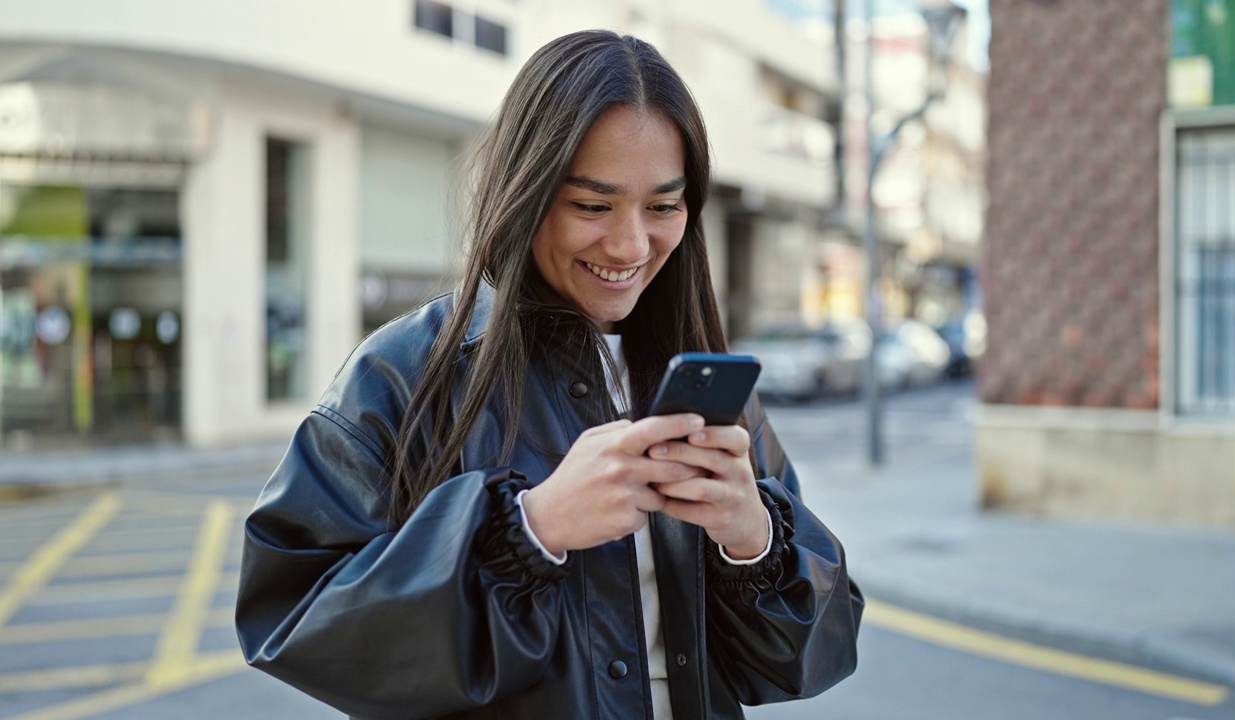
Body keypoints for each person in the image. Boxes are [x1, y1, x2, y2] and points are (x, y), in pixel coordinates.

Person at [235, 29, 863, 720]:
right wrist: (528, 530)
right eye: (592, 206)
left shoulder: (702, 382)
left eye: (662, 206)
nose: (629, 245)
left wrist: (754, 538)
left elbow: (816, 653)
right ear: (525, 190)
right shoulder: (407, 371)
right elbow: (292, 619)